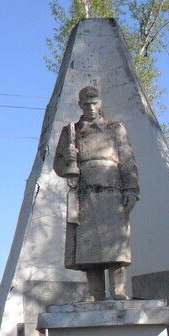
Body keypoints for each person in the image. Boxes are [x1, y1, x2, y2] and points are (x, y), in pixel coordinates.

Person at [53, 86, 139, 300]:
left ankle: (118, 290)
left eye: (94, 102)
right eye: (86, 103)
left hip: (113, 191)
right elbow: (58, 166)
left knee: (115, 244)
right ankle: (95, 293)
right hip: (85, 193)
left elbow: (127, 162)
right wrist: (68, 156)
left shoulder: (115, 128)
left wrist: (132, 190)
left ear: (100, 103)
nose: (91, 107)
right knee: (89, 246)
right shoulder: (70, 131)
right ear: (80, 105)